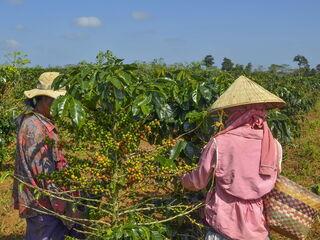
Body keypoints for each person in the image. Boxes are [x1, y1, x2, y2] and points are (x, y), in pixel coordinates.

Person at [181, 76, 286, 240]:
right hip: (258, 228)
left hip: (223, 224)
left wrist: (182, 179)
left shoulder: (219, 143)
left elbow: (198, 181)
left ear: (235, 113)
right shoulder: (274, 146)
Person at [12, 72, 84, 240]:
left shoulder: (41, 123)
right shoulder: (36, 129)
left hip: (48, 206)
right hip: (45, 208)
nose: (60, 107)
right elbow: (45, 176)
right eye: (56, 101)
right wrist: (64, 208)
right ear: (43, 99)